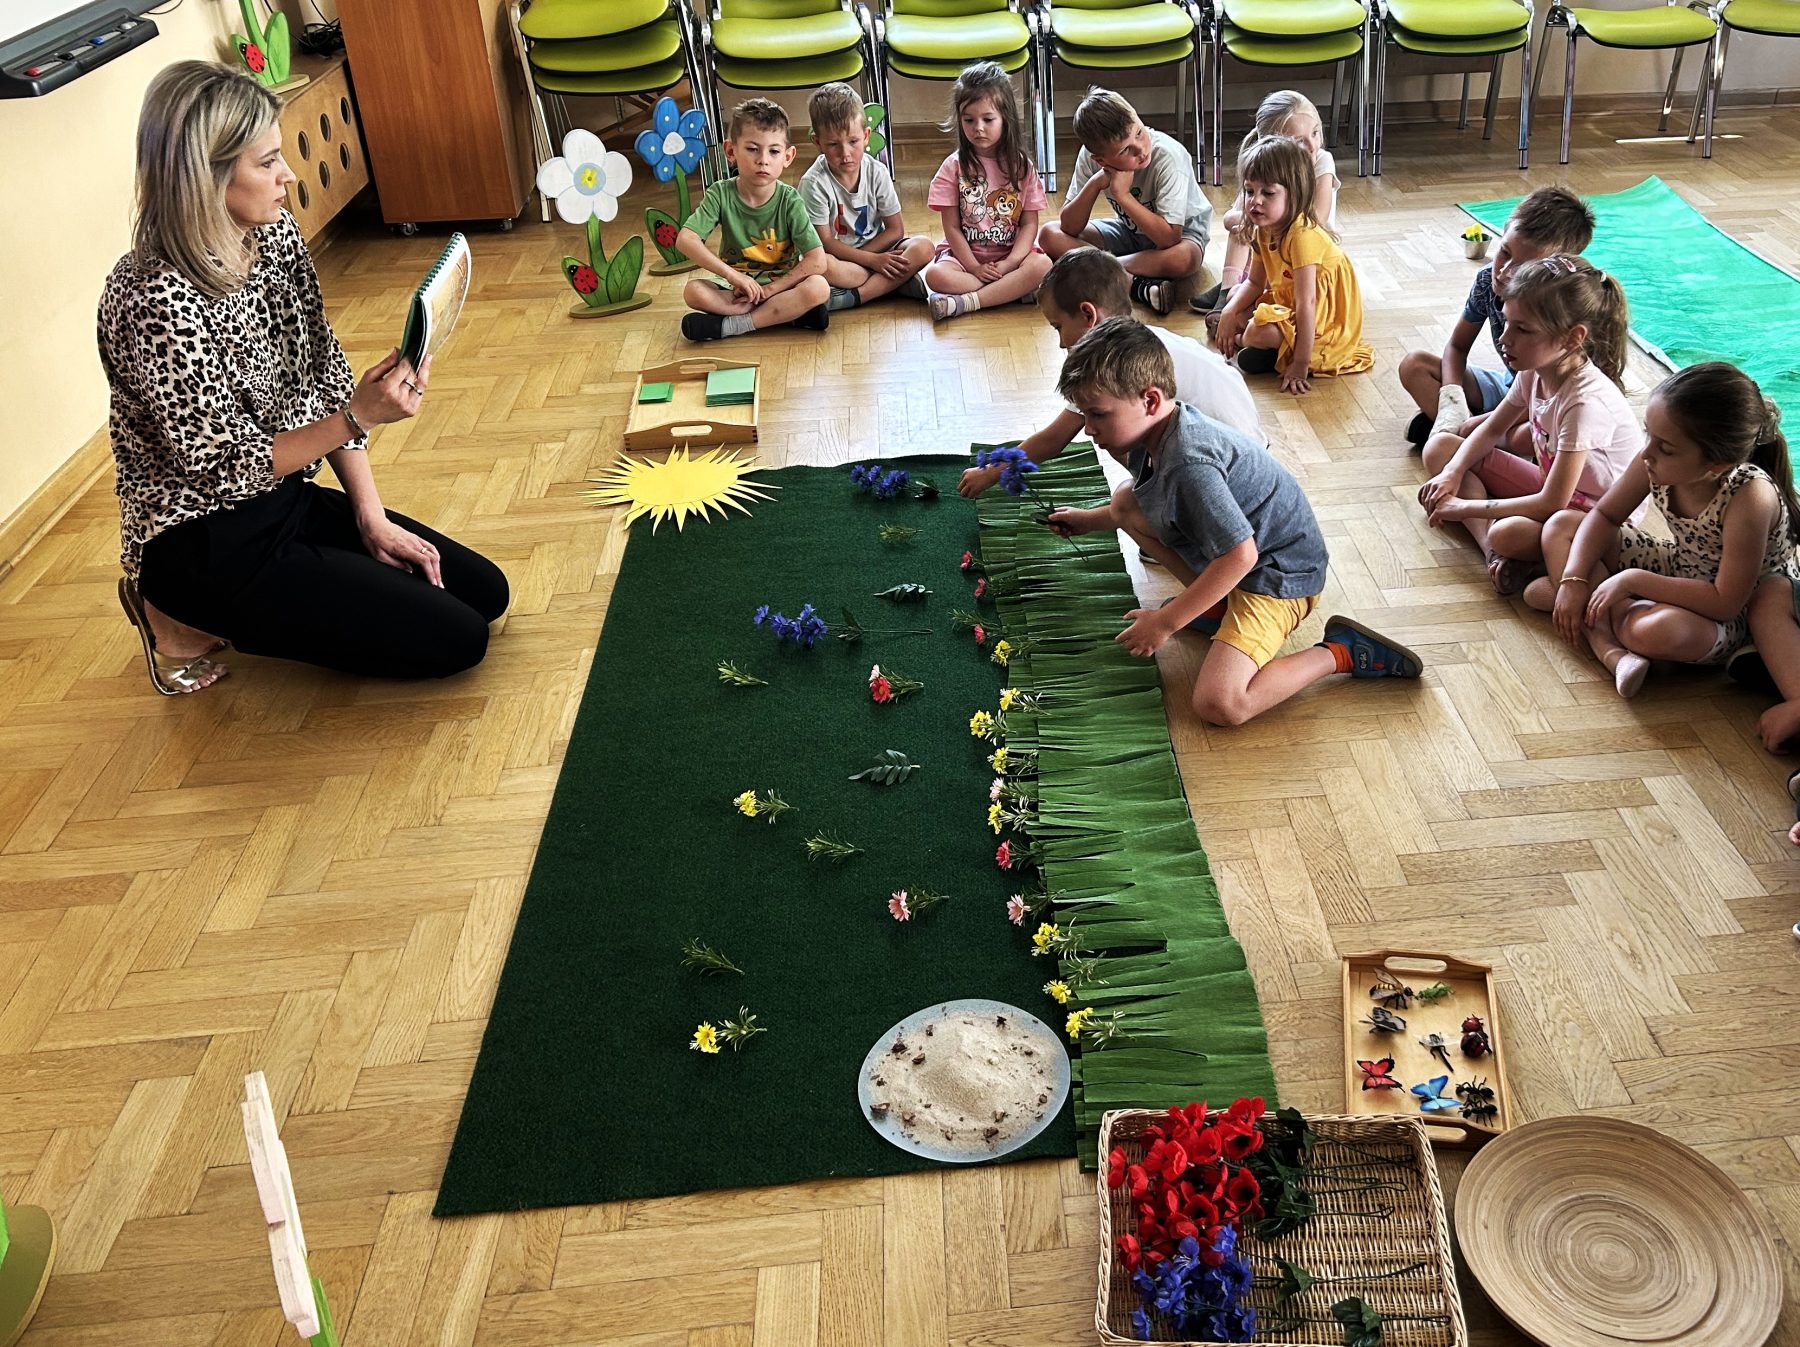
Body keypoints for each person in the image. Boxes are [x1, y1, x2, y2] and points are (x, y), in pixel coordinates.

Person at [99, 60, 507, 695]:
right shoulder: (153, 298)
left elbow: (320, 369)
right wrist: (358, 416)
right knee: (460, 639)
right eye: (267, 163)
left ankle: (274, 594)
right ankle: (172, 616)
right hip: (202, 535)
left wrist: (371, 516)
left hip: (284, 492)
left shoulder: (272, 235)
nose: (288, 175)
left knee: (485, 592)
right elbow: (226, 470)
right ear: (205, 177)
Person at [1043, 319, 1422, 726]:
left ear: (1150, 400)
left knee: (1220, 704)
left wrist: (1166, 623)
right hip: (1246, 556)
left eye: (1098, 414)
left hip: (1278, 576)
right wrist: (1088, 521)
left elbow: (1241, 556)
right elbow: (1141, 506)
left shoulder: (1190, 463)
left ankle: (1341, 651)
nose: (1088, 428)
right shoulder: (1154, 432)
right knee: (1125, 503)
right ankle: (1220, 605)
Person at [1530, 362, 1800, 698]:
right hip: (1681, 567)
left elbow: (1726, 602)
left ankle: (1598, 603)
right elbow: (1604, 516)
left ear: (1716, 465)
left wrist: (1631, 581)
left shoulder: (1750, 496)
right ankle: (1605, 641)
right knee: (1562, 526)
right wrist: (1573, 579)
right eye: (1649, 435)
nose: (1646, 452)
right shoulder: (1652, 460)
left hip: (1738, 613)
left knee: (1653, 631)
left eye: (1666, 448)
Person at [1416, 255, 1640, 595]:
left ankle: (1519, 552)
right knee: (1442, 450)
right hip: (1558, 493)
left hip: (1595, 519)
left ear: (1572, 338)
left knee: (1507, 533)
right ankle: (1494, 555)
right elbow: (1492, 430)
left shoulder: (1584, 403)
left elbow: (1552, 502)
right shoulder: (1534, 371)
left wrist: (1463, 508)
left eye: (1522, 329)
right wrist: (1453, 472)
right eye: (1507, 322)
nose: (1504, 339)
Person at [958, 248, 1260, 497]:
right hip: (1252, 453)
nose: (1061, 342)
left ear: (1088, 315)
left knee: (1114, 428)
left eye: (1058, 327)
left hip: (1229, 477)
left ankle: (1164, 507)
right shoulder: (1141, 337)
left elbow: (1055, 439)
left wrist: (992, 472)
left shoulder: (1110, 364)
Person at [1397, 186, 1596, 449]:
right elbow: (1457, 346)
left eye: (1524, 267)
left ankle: (1465, 441)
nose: (1504, 271)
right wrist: (1451, 402)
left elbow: (1559, 399)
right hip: (1509, 390)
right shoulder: (1486, 281)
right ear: (1503, 231)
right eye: (1505, 252)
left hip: (1545, 406)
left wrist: (1480, 425)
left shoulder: (1566, 307)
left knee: (1530, 436)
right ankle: (1469, 439)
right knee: (1414, 366)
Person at [1213, 136, 1372, 394]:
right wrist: (1229, 312)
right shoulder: (1263, 229)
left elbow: (1307, 304)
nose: (1255, 201)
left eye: (1268, 193)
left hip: (1321, 316)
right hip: (1292, 300)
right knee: (1235, 297)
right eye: (1249, 191)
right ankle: (1264, 347)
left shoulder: (1301, 235)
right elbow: (1254, 283)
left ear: (1294, 194)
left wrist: (1300, 364)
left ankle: (1258, 345)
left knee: (1257, 332)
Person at [1036, 87, 1211, 317]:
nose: (1141, 149)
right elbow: (1069, 226)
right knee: (1049, 234)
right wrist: (1095, 184)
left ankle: (1105, 270)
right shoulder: (1089, 158)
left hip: (1181, 236)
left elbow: (1170, 238)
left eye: (1139, 132)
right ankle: (1134, 283)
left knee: (1183, 259)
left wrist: (1123, 196)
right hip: (1130, 231)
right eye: (1126, 150)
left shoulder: (1168, 156)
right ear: (1101, 160)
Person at [677, 97, 829, 341]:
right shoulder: (720, 193)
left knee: (819, 287)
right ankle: (786, 315)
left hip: (780, 287)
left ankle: (733, 325)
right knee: (693, 291)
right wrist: (734, 277)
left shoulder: (790, 200)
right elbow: (686, 240)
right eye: (752, 149)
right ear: (731, 151)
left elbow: (817, 261)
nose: (763, 160)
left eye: (774, 151)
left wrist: (770, 290)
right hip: (735, 288)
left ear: (787, 157)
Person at [923, 61, 1053, 321]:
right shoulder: (953, 167)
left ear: (1006, 118)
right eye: (969, 120)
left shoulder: (1022, 167)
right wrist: (974, 267)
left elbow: (1029, 224)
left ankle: (968, 302)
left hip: (1011, 257)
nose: (978, 128)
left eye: (988, 119)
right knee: (935, 275)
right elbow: (952, 228)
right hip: (965, 259)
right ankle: (1011, 292)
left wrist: (1010, 263)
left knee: (1043, 266)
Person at [1191, 90, 1335, 324]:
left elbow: (1316, 221)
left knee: (1254, 224)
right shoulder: (1263, 166)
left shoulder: (1322, 162)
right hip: (1271, 254)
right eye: (1299, 141)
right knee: (1246, 226)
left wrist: (1263, 220)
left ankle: (1238, 290)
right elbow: (1230, 218)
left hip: (1306, 256)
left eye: (1315, 133)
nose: (1312, 146)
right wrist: (1253, 220)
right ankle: (1228, 290)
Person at [800, 82, 933, 312]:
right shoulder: (813, 183)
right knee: (821, 264)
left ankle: (856, 296)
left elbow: (895, 230)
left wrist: (876, 258)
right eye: (833, 145)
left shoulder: (877, 171)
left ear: (866, 136)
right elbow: (826, 243)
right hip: (841, 260)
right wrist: (872, 262)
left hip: (880, 250)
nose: (845, 154)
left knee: (924, 247)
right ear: (818, 143)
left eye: (853, 142)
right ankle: (893, 284)